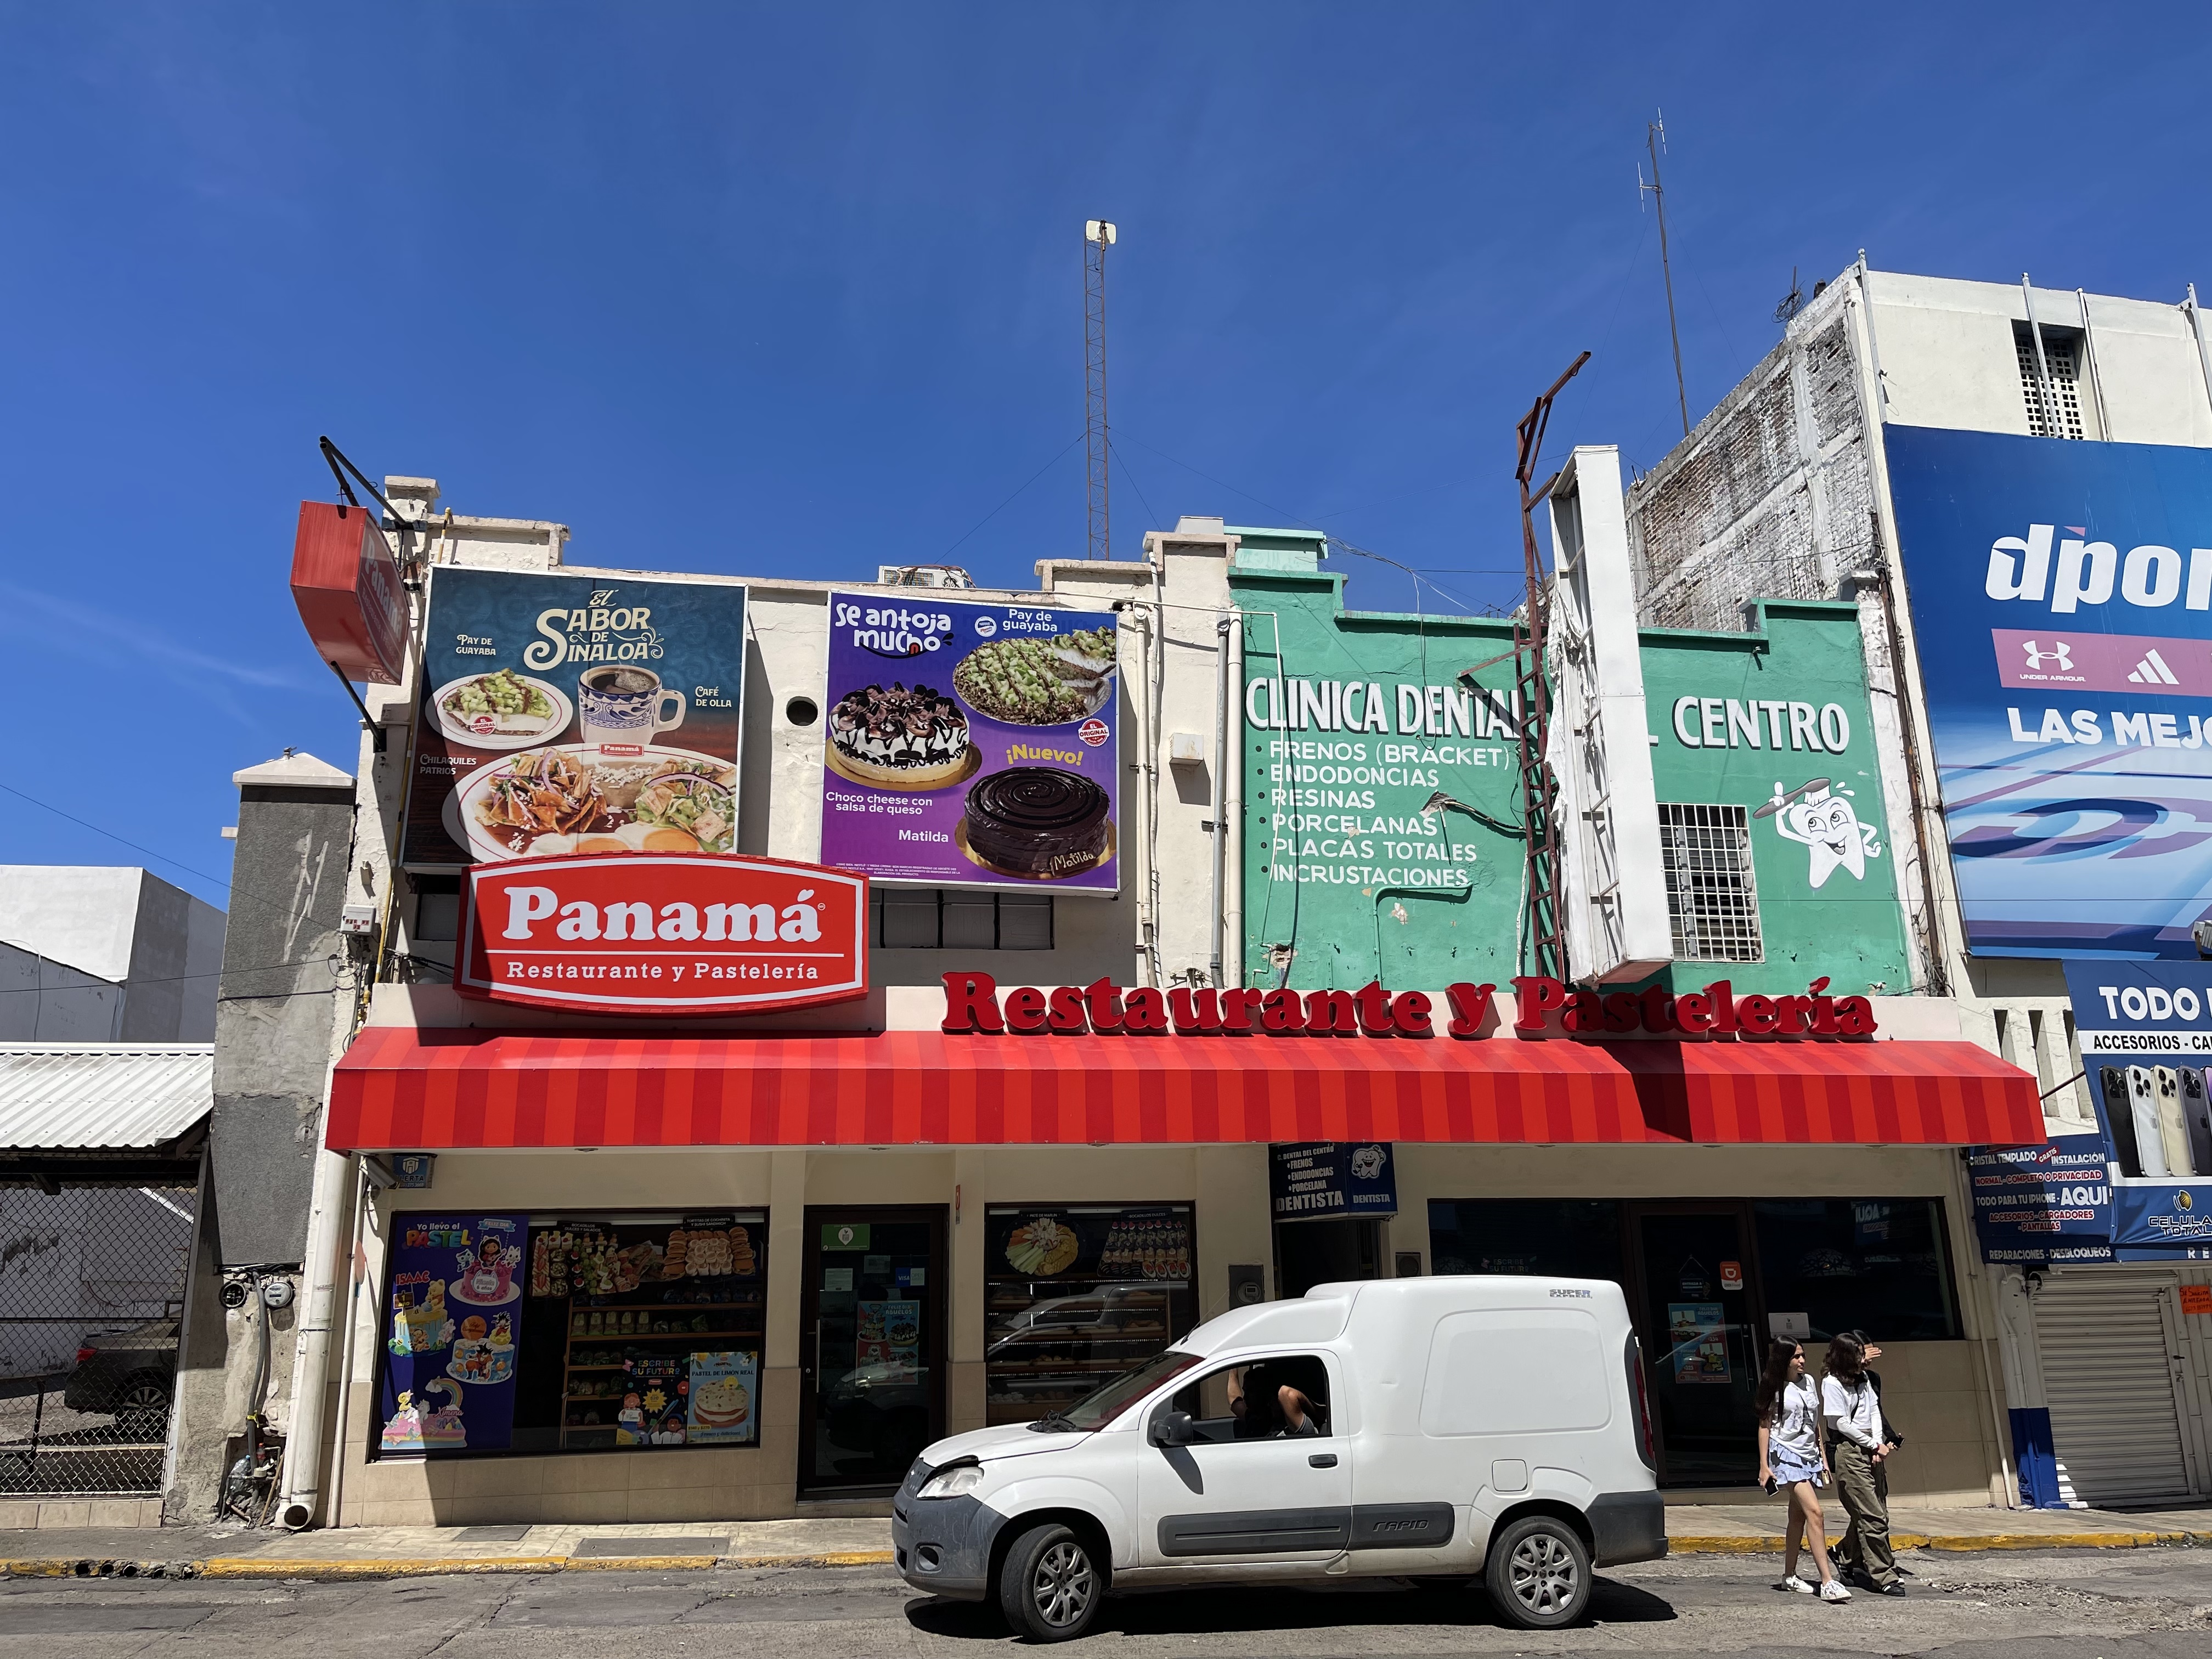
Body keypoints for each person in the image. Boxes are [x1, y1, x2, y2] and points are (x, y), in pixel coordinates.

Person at [1754, 1338, 1849, 1602]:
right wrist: (1764, 1466)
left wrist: (1822, 1459)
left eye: (1803, 1356)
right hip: (1785, 1456)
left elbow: (1814, 1422)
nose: (1802, 1361)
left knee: (1797, 1518)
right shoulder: (1774, 1387)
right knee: (1816, 1513)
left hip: (1809, 1456)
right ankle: (1828, 1581)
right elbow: (1765, 1426)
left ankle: (1789, 1576)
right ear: (1783, 1360)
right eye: (1796, 1357)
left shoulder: (1809, 1383)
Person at [1822, 1331, 1904, 1596]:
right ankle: (1884, 1575)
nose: (1864, 1358)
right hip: (1850, 1450)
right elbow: (1840, 1423)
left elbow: (1873, 1411)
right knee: (1872, 1517)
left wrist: (1878, 1444)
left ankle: (1846, 1556)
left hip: (1872, 1447)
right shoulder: (1832, 1383)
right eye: (1858, 1353)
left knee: (1877, 1512)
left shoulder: (1865, 1379)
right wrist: (1871, 1445)